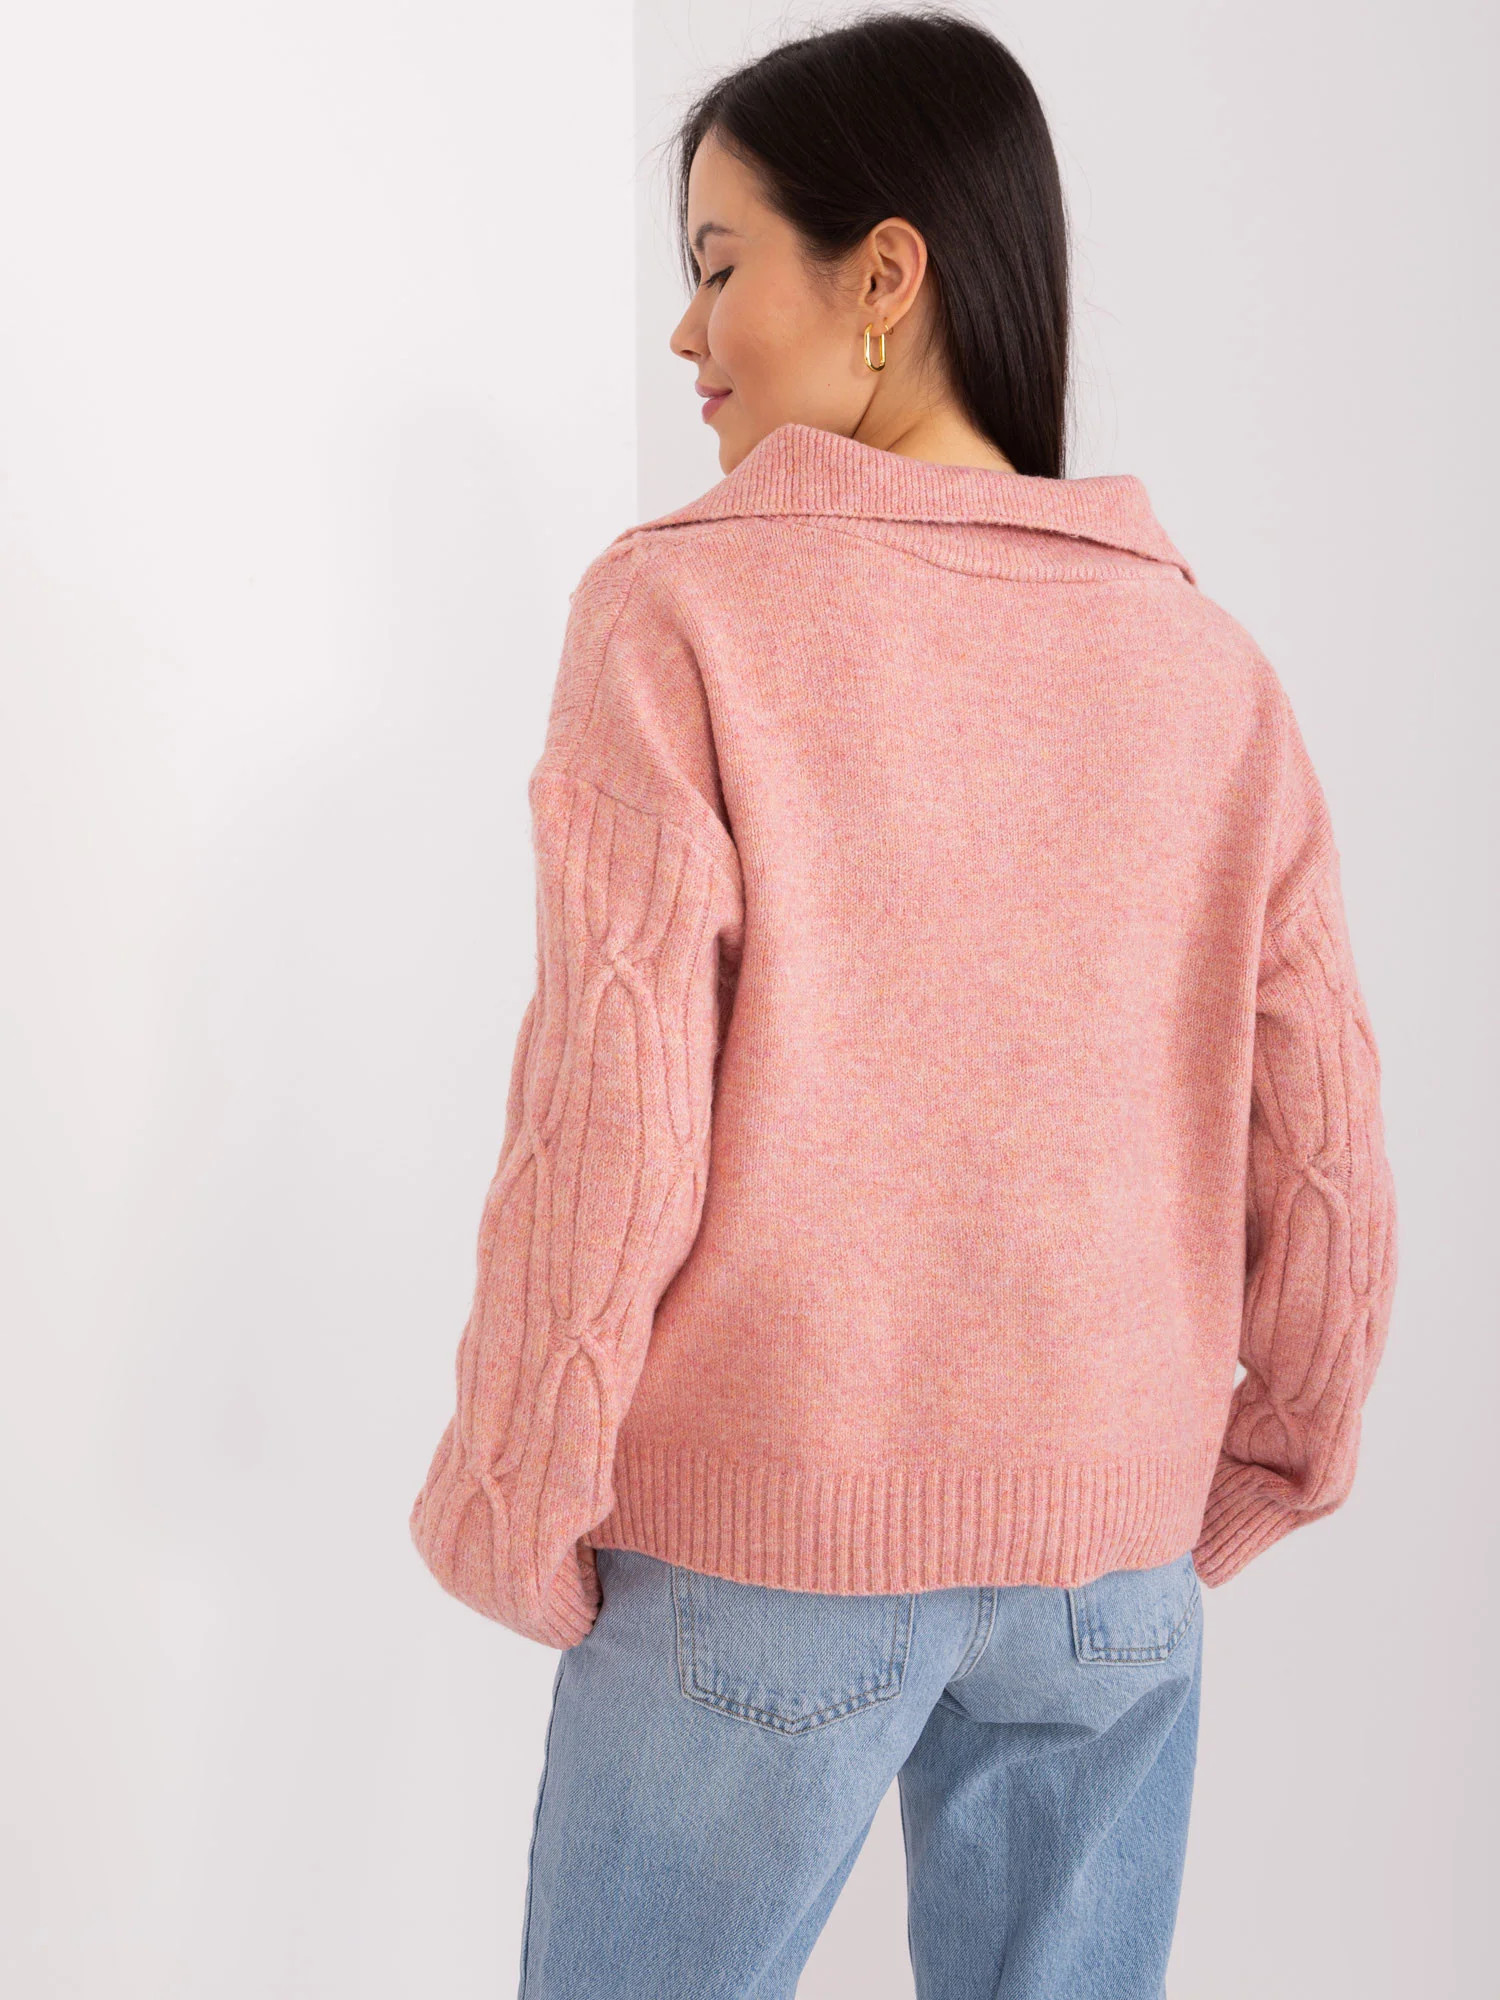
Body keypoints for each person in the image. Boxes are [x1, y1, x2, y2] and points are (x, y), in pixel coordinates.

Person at [408, 11, 1399, 1997]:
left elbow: (613, 1110)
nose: (686, 335)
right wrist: (1276, 1445)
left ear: (884, 274)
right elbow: (1323, 1138)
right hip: (1111, 1570)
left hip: (766, 1535)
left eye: (718, 267)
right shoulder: (1209, 669)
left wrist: (521, 1481)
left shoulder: (680, 612)